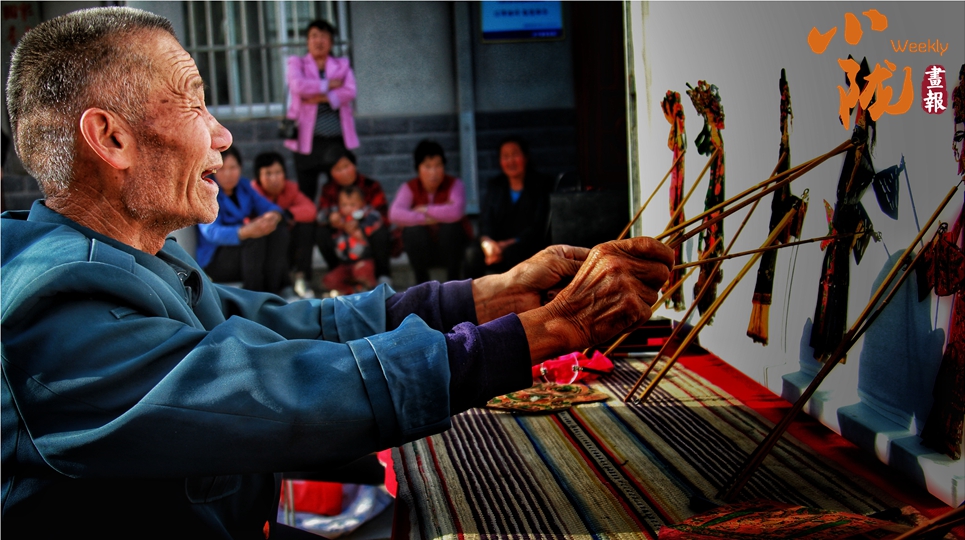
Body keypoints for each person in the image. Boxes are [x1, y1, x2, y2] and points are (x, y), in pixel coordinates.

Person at [1, 7, 673, 539]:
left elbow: (290, 327)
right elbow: (281, 391)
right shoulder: (56, 314)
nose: (222, 135)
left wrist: (491, 295)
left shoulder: (138, 257)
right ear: (111, 138)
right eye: (194, 104)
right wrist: (551, 329)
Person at [196, 147, 292, 295]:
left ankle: (274, 290)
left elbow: (269, 207)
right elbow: (211, 232)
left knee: (278, 232)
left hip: (244, 254)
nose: (228, 174)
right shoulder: (207, 192)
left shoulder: (243, 186)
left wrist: (273, 216)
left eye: (233, 168)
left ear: (240, 167)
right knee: (255, 238)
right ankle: (254, 294)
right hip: (217, 259)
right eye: (222, 169)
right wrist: (244, 232)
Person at [284, 19, 358, 201]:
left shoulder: (342, 64)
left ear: (331, 42)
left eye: (324, 36)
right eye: (314, 36)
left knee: (342, 192)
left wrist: (318, 98)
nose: (318, 41)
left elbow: (350, 91)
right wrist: (328, 85)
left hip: (337, 140)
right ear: (307, 41)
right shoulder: (297, 63)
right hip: (307, 141)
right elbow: (298, 86)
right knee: (306, 192)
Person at [465, 136, 552, 278]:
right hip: (496, 245)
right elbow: (485, 220)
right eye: (505, 156)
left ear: (525, 157)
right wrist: (488, 243)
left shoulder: (541, 185)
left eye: (515, 155)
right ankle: (472, 292)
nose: (510, 161)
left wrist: (506, 244)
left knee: (515, 253)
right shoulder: (495, 186)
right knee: (472, 253)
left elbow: (538, 225)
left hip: (525, 244)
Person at [389, 139, 473, 284]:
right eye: (427, 166)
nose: (433, 172)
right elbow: (395, 214)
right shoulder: (409, 187)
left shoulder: (455, 184)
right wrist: (426, 218)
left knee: (451, 228)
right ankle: (422, 285)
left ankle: (453, 286)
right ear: (418, 168)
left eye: (438, 165)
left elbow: (456, 211)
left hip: (451, 249)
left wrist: (425, 209)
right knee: (412, 232)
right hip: (424, 249)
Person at [316, 148, 393, 284]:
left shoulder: (370, 185)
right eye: (338, 169)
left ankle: (382, 274)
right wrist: (332, 219)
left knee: (381, 232)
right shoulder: (329, 189)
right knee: (320, 232)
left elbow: (383, 216)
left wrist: (361, 226)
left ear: (354, 165)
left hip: (366, 239)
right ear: (331, 173)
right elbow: (321, 215)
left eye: (347, 166)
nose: (344, 172)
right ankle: (338, 270)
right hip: (341, 238)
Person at [251, 151, 317, 298]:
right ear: (258, 177)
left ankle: (301, 278)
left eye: (278, 172)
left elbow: (311, 210)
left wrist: (285, 214)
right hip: (263, 250)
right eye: (268, 173)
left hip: (289, 247)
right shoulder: (252, 193)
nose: (274, 178)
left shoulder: (290, 189)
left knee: (306, 228)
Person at [322, 185, 382, 295]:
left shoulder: (367, 216)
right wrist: (332, 218)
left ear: (362, 203)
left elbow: (375, 219)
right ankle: (352, 292)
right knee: (329, 280)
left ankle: (372, 292)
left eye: (353, 205)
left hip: (363, 260)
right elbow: (320, 217)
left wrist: (357, 227)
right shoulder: (339, 218)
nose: (348, 208)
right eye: (344, 205)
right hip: (345, 263)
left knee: (362, 272)